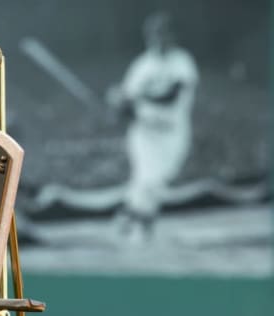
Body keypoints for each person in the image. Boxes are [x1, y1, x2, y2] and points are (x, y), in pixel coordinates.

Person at [106, 12, 199, 242]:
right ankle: (139, 231)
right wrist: (118, 105)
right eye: (154, 34)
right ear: (148, 36)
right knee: (146, 180)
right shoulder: (141, 66)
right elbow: (125, 110)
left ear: (172, 35)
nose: (159, 38)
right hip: (144, 134)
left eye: (163, 33)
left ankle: (125, 219)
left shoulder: (182, 62)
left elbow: (171, 96)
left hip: (172, 132)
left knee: (156, 183)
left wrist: (135, 99)